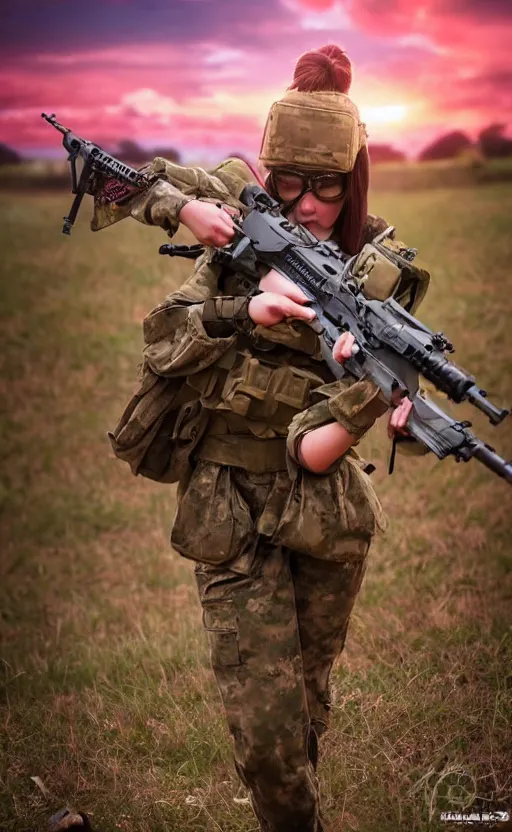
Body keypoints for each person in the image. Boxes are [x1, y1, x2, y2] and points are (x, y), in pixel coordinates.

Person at [94, 44, 429, 832]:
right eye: (289, 182)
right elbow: (163, 339)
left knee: (305, 706)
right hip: (225, 505)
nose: (307, 203)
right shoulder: (240, 235)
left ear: (355, 182)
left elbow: (314, 448)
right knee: (268, 738)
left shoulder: (383, 279)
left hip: (322, 506)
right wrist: (242, 304)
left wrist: (368, 402)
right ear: (267, 173)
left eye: (327, 186)